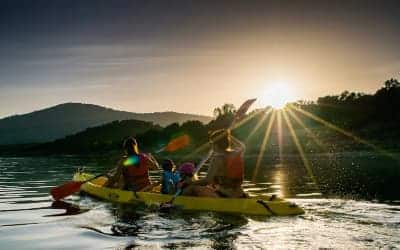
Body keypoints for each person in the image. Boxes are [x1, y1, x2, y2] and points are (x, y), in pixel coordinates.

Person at [191, 129, 246, 198]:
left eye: (211, 143)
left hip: (225, 195)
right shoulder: (235, 154)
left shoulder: (217, 158)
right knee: (211, 186)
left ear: (215, 144)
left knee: (192, 188)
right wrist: (227, 136)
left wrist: (190, 183)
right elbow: (242, 146)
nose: (211, 145)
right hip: (240, 195)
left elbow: (207, 180)